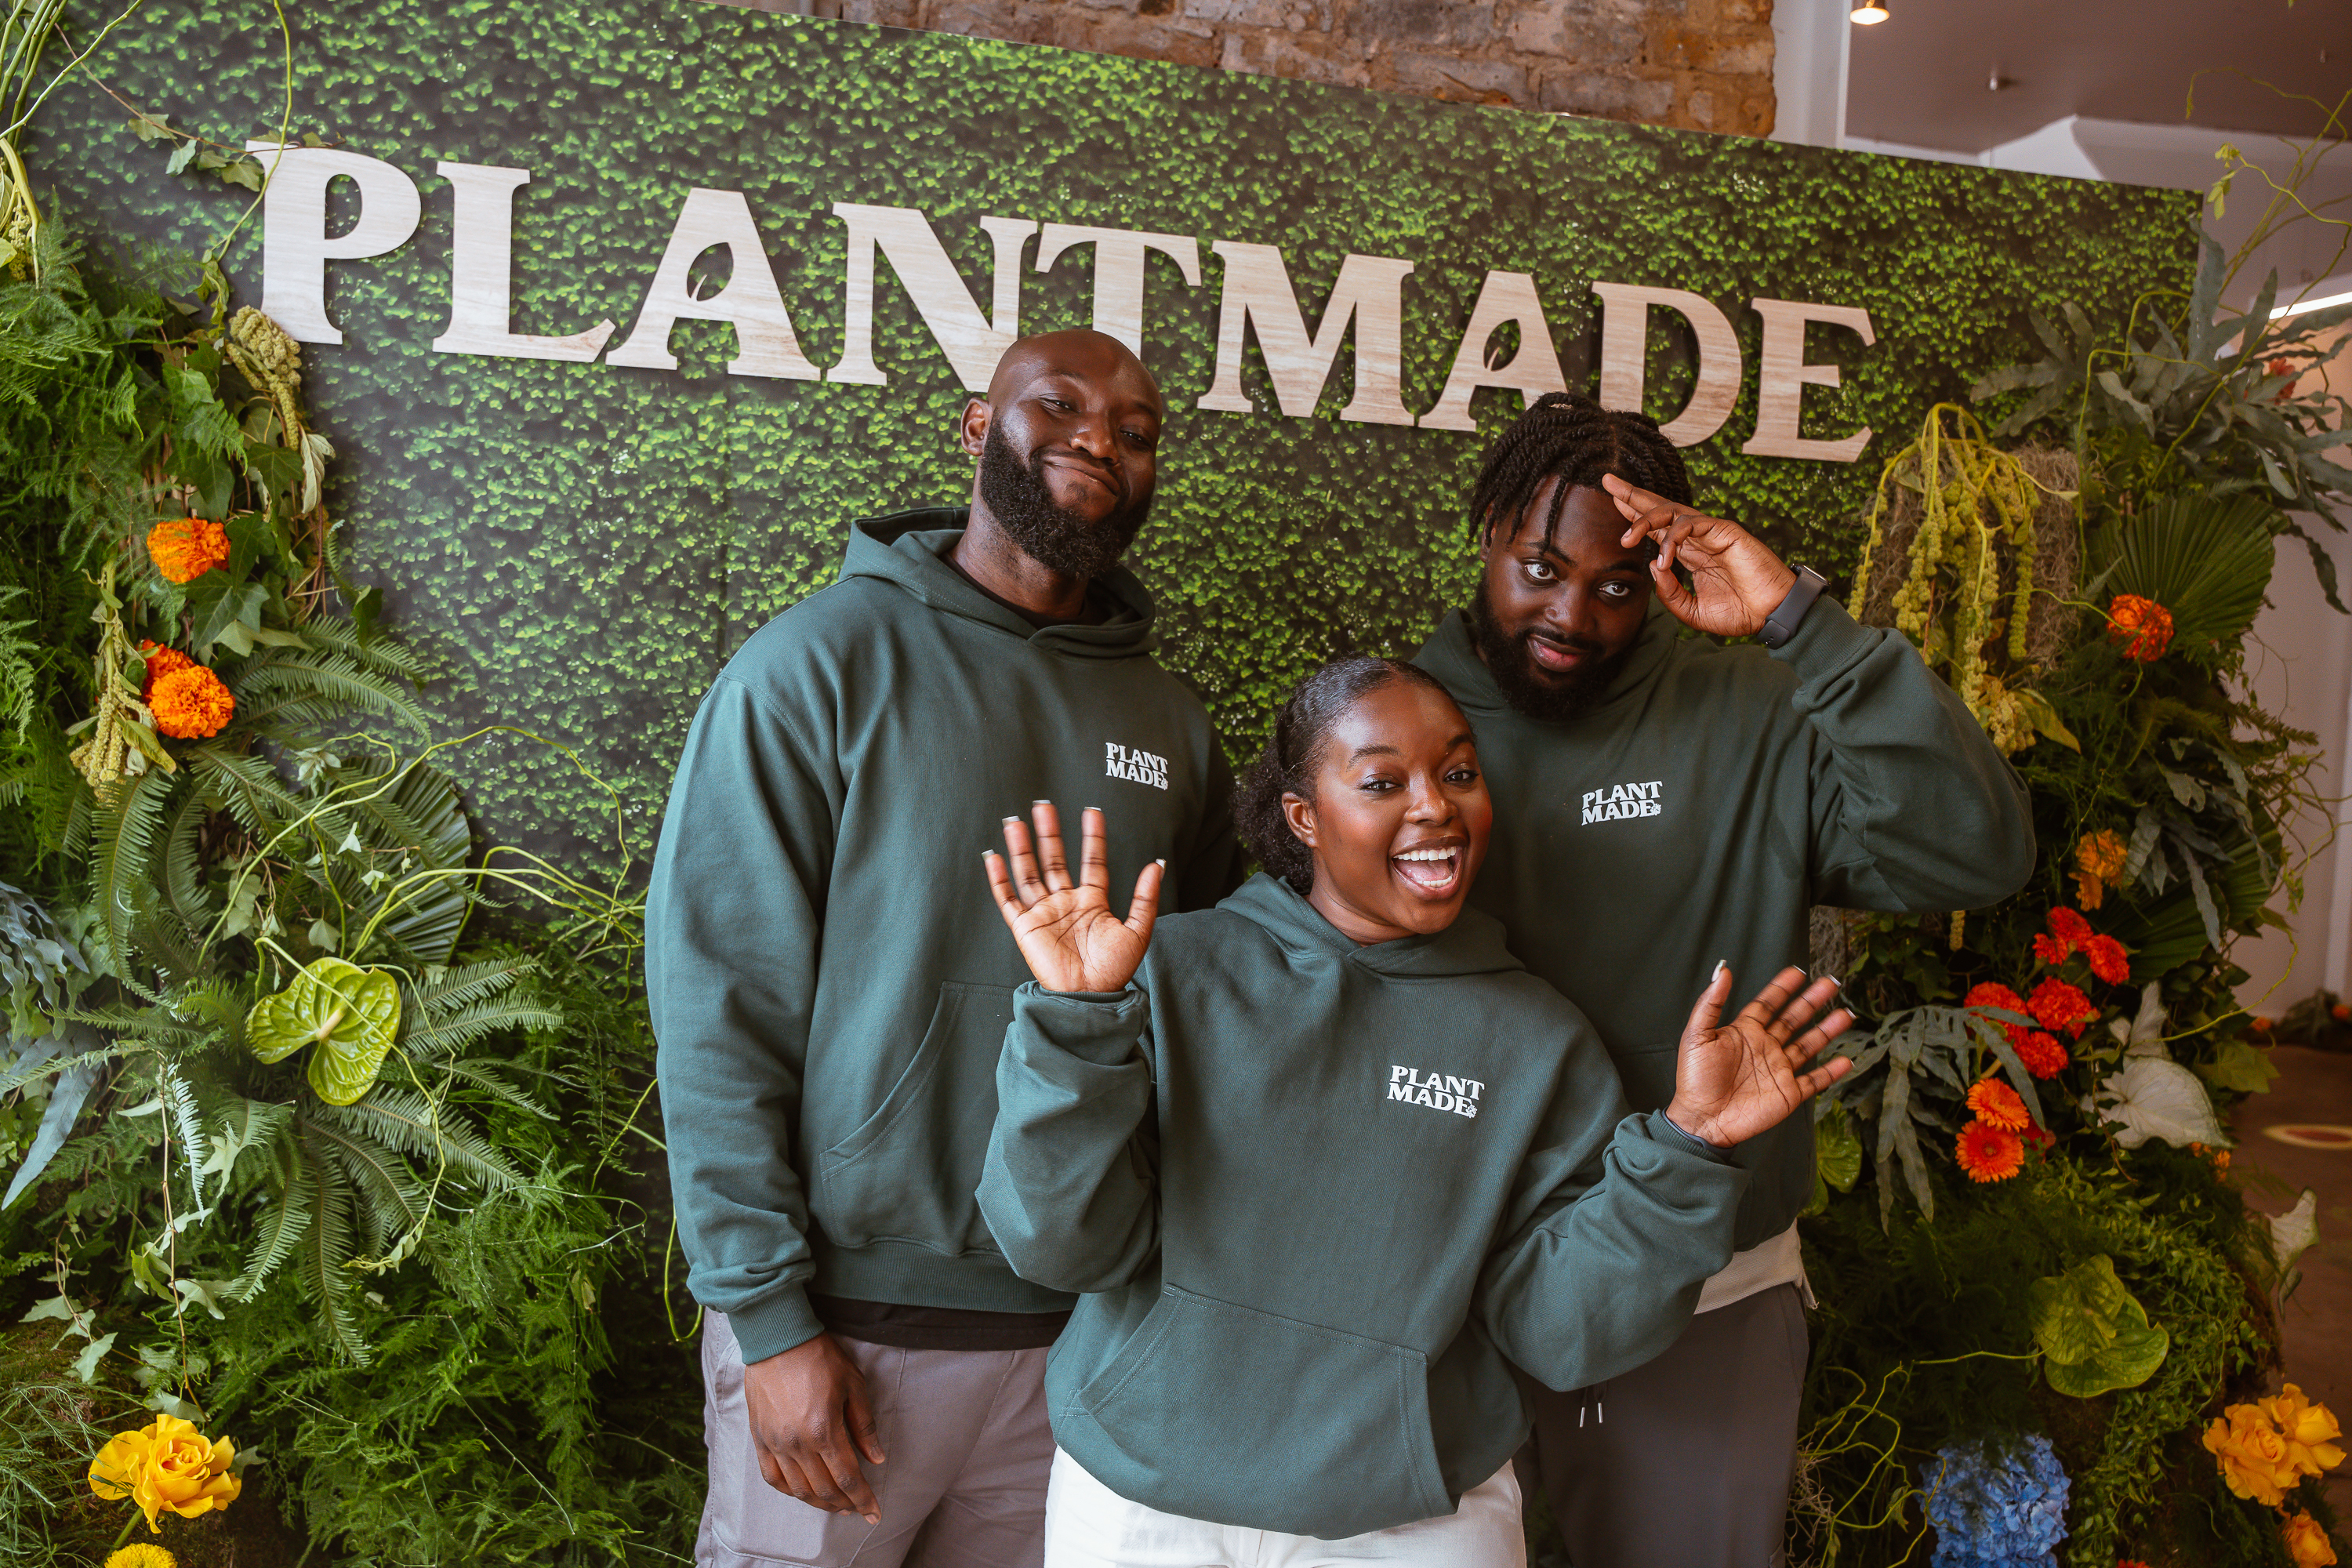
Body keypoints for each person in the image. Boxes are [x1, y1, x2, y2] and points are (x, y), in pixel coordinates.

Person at [975, 655, 1855, 1568]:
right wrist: (1077, 1029)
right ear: (1303, 816)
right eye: (1384, 780)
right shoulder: (1171, 969)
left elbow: (1559, 1332)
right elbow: (1059, 1245)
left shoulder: (1537, 1042)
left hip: (1412, 1522)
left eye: (1459, 773)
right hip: (1137, 1498)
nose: (1435, 804)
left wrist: (1689, 1146)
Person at [646, 328, 1247, 1568]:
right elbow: (718, 1003)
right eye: (1061, 405)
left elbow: (1208, 1027)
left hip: (1076, 1341)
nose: (1100, 438)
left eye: (1138, 432)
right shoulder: (814, 666)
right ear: (979, 431)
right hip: (846, 1333)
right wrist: (767, 1324)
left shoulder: (1171, 725)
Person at [1410, 392, 2037, 1567]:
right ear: (1487, 530)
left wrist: (1801, 620)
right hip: (1445, 1287)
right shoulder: (1399, 727)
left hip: (1706, 1289)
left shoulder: (1754, 709)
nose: (1570, 614)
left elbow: (1976, 852)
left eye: (1614, 585)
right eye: (1540, 566)